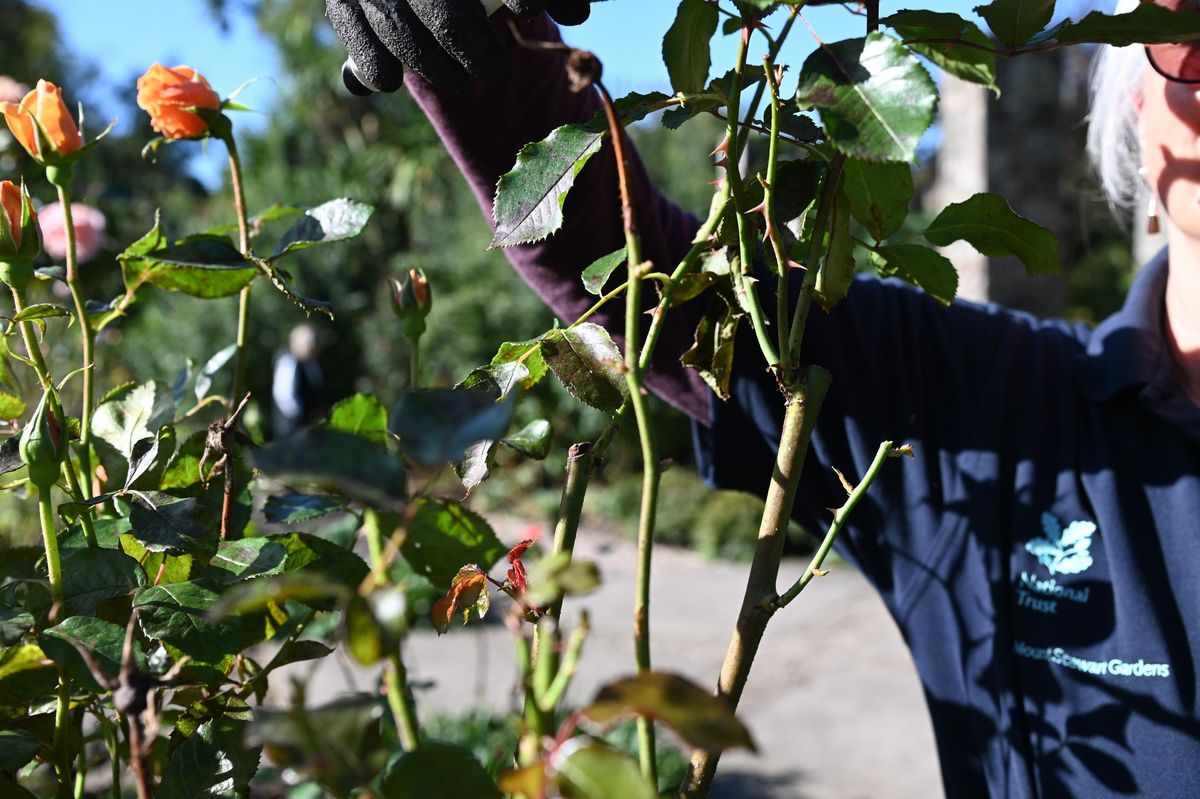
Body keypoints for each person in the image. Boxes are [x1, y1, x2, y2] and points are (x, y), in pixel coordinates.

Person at [328, 1, 1200, 796]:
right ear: (1131, 96)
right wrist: (490, 37)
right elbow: (652, 283)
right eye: (1187, 31)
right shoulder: (995, 407)